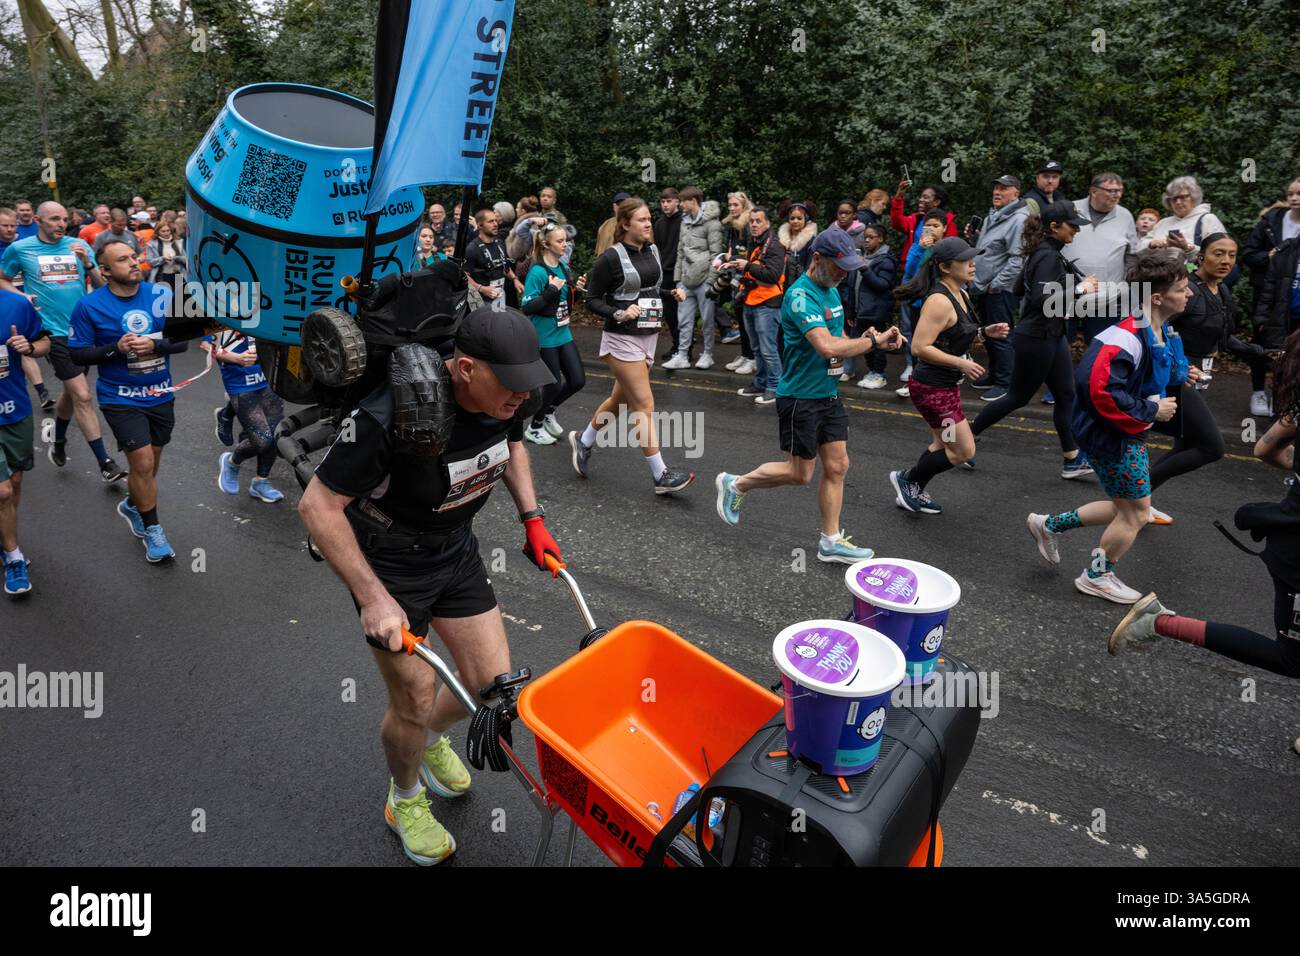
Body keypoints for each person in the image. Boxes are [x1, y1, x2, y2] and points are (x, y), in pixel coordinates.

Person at [298, 306, 563, 866]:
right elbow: (318, 504)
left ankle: (431, 740)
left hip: (455, 549)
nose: (522, 397)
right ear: (465, 369)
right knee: (414, 700)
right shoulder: (386, 415)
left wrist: (532, 518)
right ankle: (405, 797)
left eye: (527, 383)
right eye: (511, 384)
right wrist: (374, 598)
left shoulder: (511, 396)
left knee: (489, 685)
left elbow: (512, 441)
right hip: (393, 566)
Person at [1108, 331, 1300, 692]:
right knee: (1293, 659)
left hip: (1285, 538)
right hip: (1294, 557)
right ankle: (1159, 622)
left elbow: (1263, 449)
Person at [715, 229, 904, 562]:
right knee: (800, 474)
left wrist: (869, 337)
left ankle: (830, 541)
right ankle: (736, 484)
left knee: (838, 465)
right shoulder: (801, 296)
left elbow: (839, 335)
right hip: (800, 397)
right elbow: (826, 346)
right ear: (817, 259)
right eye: (840, 265)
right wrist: (871, 343)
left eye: (849, 266)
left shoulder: (831, 290)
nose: (845, 273)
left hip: (827, 394)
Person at [1027, 253, 1188, 604]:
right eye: (1182, 288)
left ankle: (1048, 525)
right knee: (1137, 512)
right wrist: (1151, 409)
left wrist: (1181, 374)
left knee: (1125, 508)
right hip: (1113, 435)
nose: (1189, 294)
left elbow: (1154, 373)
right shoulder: (1125, 336)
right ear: (1157, 297)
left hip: (1122, 431)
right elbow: (1097, 390)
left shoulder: (1159, 328)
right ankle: (1096, 576)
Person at [68, 240, 185, 563]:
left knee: (152, 460)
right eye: (123, 260)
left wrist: (155, 345)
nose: (134, 263)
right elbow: (77, 353)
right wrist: (115, 349)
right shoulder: (89, 306)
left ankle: (133, 504)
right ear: (104, 270)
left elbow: (182, 342)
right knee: (143, 463)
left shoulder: (161, 294)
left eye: (134, 257)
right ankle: (153, 530)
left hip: (160, 393)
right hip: (120, 396)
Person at [570, 197, 693, 494]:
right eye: (642, 220)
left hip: (648, 336)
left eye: (649, 218)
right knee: (644, 405)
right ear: (625, 224)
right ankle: (660, 474)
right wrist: (618, 313)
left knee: (619, 401)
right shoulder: (610, 258)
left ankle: (583, 441)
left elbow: (645, 289)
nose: (649, 223)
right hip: (621, 339)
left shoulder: (651, 249)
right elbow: (592, 299)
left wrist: (669, 293)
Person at [966, 201, 1098, 478]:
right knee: (1017, 397)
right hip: (1037, 337)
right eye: (1072, 225)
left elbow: (1018, 288)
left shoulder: (1046, 253)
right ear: (1054, 227)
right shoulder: (1047, 255)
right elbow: (1039, 298)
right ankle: (961, 440)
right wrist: (1080, 289)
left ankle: (1072, 459)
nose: (1076, 230)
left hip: (1051, 334)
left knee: (1066, 394)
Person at [0, 201, 126, 481]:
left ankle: (57, 438)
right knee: (82, 394)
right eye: (54, 219)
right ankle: (105, 462)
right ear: (37, 220)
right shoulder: (20, 249)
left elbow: (105, 286)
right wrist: (21, 297)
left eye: (64, 219)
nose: (60, 224)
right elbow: (3, 279)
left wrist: (87, 263)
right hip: (52, 332)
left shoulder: (78, 245)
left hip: (84, 330)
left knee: (72, 392)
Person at [888, 238, 1010, 513]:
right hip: (932, 391)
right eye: (966, 260)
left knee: (942, 443)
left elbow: (955, 334)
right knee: (963, 451)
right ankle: (907, 479)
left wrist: (983, 332)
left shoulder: (961, 294)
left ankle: (912, 488)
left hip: (945, 387)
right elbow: (920, 347)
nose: (972, 264)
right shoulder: (939, 301)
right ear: (944, 267)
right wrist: (961, 364)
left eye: (972, 258)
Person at [1146, 235, 1247, 524]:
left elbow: (1225, 339)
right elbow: (1153, 327)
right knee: (1211, 448)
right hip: (1177, 378)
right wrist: (1179, 365)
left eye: (1231, 255)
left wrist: (1265, 353)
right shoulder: (1185, 289)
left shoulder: (1222, 291)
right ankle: (1132, 499)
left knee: (1185, 444)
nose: (1225, 260)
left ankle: (1139, 499)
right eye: (1218, 254)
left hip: (1199, 375)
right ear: (1200, 256)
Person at [1, 289, 50, 597]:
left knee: (15, 482)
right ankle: (13, 556)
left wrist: (29, 347)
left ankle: (6, 537)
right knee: (3, 491)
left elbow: (45, 341)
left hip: (15, 411)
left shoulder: (16, 304)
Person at [520, 222, 586, 445]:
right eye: (560, 241)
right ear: (546, 244)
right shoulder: (538, 272)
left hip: (563, 331)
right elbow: (527, 306)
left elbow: (566, 298)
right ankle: (534, 427)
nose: (565, 245)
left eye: (565, 240)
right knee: (553, 384)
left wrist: (577, 288)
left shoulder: (563, 267)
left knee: (577, 380)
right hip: (544, 335)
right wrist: (551, 291)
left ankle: (549, 411)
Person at [203, 329, 286, 503]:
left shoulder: (263, 306)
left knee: (276, 434)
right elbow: (206, 344)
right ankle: (232, 462)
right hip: (240, 384)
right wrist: (236, 358)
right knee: (262, 439)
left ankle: (260, 482)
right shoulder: (221, 309)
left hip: (269, 378)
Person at [966, 174, 1029, 400]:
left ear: (1016, 193)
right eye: (996, 188)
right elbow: (991, 250)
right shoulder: (994, 215)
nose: (997, 192)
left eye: (1004, 188)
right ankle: (995, 375)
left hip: (998, 290)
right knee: (991, 333)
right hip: (983, 287)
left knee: (1001, 335)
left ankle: (1006, 383)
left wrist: (996, 285)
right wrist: (974, 239)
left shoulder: (1019, 219)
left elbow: (1018, 259)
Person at [1064, 172, 1139, 344]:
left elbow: (1132, 256)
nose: (1117, 195)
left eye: (1120, 190)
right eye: (1111, 190)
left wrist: (1126, 286)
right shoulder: (1071, 209)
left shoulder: (1125, 215)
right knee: (1059, 343)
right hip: (1067, 290)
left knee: (1101, 347)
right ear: (1093, 191)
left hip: (1106, 295)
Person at [730, 206, 788, 405]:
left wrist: (746, 266)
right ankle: (760, 383)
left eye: (758, 221)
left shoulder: (774, 245)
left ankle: (775, 387)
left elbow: (772, 276)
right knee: (757, 348)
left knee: (768, 349)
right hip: (751, 299)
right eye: (752, 221)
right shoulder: (754, 242)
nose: (754, 224)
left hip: (768, 303)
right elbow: (753, 270)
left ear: (768, 223)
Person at [0, 208, 53, 412]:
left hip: (30, 303)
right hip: (9, 306)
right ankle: (41, 391)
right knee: (15, 348)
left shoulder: (22, 246)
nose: (10, 229)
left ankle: (40, 390)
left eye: (13, 225)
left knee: (29, 345)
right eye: (5, 225)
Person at [671, 187, 726, 370]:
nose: (680, 204)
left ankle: (708, 354)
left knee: (707, 321)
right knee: (684, 320)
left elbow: (716, 255)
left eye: (682, 200)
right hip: (686, 280)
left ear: (693, 201)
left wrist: (710, 281)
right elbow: (680, 250)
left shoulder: (712, 224)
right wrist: (678, 280)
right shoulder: (683, 222)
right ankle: (682, 355)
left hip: (704, 281)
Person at [1252, 234, 1300, 417]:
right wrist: (1262, 318)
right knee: (1281, 364)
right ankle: (1281, 410)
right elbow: (1269, 288)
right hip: (1285, 319)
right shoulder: (1287, 250)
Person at [853, 223, 898, 389]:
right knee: (866, 343)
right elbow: (853, 286)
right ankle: (871, 371)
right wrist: (852, 310)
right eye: (865, 237)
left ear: (880, 239)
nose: (866, 240)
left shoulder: (885, 260)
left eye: (871, 237)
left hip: (876, 311)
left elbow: (882, 285)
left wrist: (864, 268)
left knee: (878, 343)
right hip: (861, 310)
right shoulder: (862, 258)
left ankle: (880, 374)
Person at [1139, 176, 1227, 253]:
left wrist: (1186, 247)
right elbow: (1138, 249)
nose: (1178, 202)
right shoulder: (1163, 223)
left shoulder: (1208, 219)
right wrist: (1151, 244)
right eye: (1174, 198)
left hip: (1190, 271)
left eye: (1182, 197)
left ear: (1193, 196)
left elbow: (1220, 253)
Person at [1242, 177, 1300, 296]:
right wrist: (1269, 256)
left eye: (1299, 194)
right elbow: (1248, 254)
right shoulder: (1269, 222)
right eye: (1290, 194)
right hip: (1270, 293)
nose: (1294, 198)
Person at [719, 192, 754, 369]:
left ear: (744, 206)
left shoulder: (749, 226)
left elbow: (748, 254)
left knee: (748, 320)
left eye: (736, 205)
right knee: (740, 318)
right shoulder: (733, 227)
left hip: (747, 279)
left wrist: (733, 258)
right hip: (735, 277)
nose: (732, 208)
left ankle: (753, 358)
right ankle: (745, 354)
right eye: (730, 205)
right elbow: (731, 250)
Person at [654, 188, 687, 366]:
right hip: (664, 272)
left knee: (684, 313)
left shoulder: (683, 221)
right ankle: (677, 345)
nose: (665, 204)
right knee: (670, 314)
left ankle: (685, 348)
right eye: (663, 201)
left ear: (677, 202)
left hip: (680, 272)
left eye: (669, 201)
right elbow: (657, 248)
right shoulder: (659, 224)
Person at [464, 208, 518, 312]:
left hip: (500, 296)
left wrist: (515, 279)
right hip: (481, 300)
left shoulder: (499, 242)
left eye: (495, 220)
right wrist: (482, 289)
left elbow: (504, 266)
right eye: (490, 221)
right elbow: (464, 275)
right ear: (479, 225)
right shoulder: (472, 249)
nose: (495, 224)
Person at [777, 201, 818, 284]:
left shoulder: (811, 241)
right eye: (792, 218)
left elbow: (810, 266)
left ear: (805, 219)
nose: (795, 221)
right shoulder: (781, 239)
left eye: (799, 218)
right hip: (782, 282)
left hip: (802, 283)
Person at [145, 220, 187, 285]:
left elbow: (186, 259)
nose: (166, 233)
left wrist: (177, 258)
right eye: (163, 231)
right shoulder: (152, 244)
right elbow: (150, 262)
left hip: (178, 274)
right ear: (157, 232)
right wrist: (163, 259)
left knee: (180, 295)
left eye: (168, 230)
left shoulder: (178, 242)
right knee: (166, 295)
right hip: (162, 276)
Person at [594, 191, 631, 258]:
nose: (621, 207)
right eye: (618, 204)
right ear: (614, 206)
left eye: (625, 204)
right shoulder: (605, 225)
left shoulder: (637, 223)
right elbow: (600, 251)